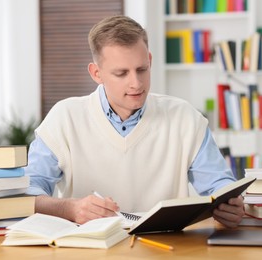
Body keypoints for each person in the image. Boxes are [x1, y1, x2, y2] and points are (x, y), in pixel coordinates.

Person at [25, 15, 244, 228]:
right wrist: (69, 209)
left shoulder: (185, 118)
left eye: (142, 70)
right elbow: (27, 193)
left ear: (149, 60)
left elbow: (219, 186)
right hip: (92, 249)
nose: (136, 83)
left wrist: (230, 205)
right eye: (121, 73)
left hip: (167, 249)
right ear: (96, 73)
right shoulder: (64, 117)